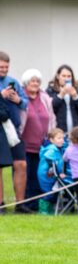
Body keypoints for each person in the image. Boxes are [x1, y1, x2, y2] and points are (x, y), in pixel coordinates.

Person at [19, 69, 56, 211]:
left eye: (37, 81)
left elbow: (51, 117)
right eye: (32, 81)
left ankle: (39, 204)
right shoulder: (22, 97)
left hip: (43, 145)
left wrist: (52, 135)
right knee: (27, 176)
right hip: (25, 144)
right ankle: (26, 204)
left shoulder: (44, 97)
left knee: (40, 175)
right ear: (26, 83)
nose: (35, 84)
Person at [0, 51, 29, 212]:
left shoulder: (13, 82)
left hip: (13, 130)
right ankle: (1, 205)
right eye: (0, 67)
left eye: (6, 66)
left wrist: (18, 100)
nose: (3, 69)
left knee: (21, 164)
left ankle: (21, 204)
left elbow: (25, 103)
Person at [47, 64, 78, 133]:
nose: (66, 79)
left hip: (75, 133)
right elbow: (50, 109)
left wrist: (76, 97)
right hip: (58, 133)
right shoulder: (50, 90)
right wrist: (61, 95)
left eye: (69, 76)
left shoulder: (76, 89)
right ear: (58, 76)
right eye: (63, 76)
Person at [37, 128, 66, 215]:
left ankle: (49, 210)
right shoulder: (51, 149)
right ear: (51, 140)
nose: (62, 140)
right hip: (46, 175)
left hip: (51, 175)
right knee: (48, 192)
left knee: (51, 192)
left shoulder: (57, 148)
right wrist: (57, 174)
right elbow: (49, 160)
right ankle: (43, 211)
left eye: (63, 138)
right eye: (59, 138)